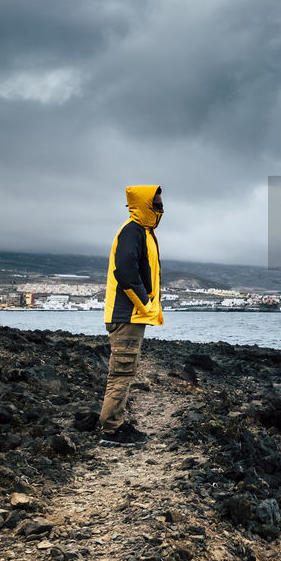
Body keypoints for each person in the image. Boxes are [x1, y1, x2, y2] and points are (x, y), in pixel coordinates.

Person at [98, 184, 164, 446]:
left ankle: (114, 424)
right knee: (122, 373)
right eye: (156, 205)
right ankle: (112, 430)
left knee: (125, 371)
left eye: (161, 205)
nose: (161, 209)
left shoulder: (142, 232)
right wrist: (144, 306)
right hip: (127, 316)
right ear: (143, 205)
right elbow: (125, 274)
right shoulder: (133, 232)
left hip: (131, 316)